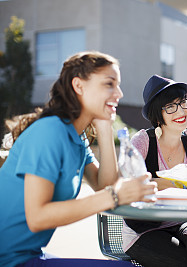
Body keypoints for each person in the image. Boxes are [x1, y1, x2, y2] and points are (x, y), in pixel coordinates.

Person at [0, 51, 157, 267]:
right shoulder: (49, 132)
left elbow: (105, 185)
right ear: (79, 86)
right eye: (109, 84)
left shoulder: (76, 137)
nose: (119, 93)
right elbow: (37, 217)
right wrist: (114, 195)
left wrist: (104, 126)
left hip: (29, 255)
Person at [122, 74, 187, 267]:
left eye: (184, 102)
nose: (181, 111)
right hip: (144, 230)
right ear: (157, 113)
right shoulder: (143, 141)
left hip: (181, 223)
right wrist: (183, 184)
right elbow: (127, 185)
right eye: (170, 106)